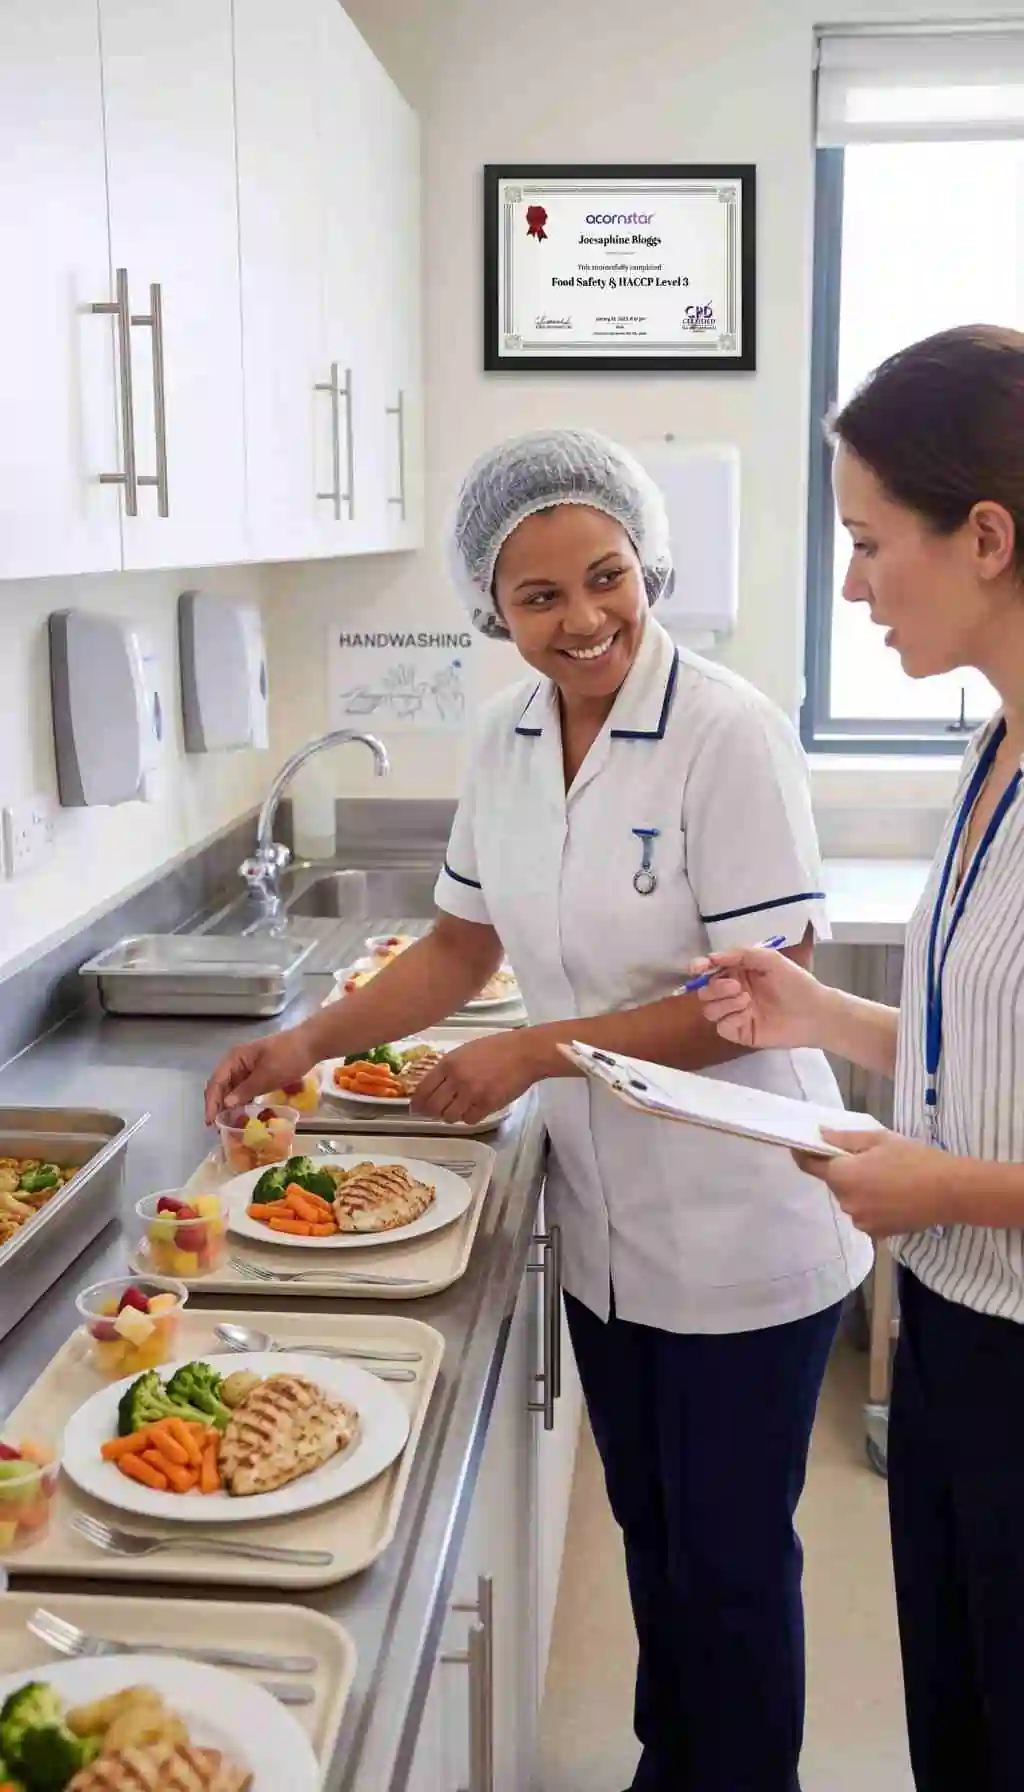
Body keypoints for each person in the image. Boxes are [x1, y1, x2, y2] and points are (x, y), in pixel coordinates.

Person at [206, 427, 872, 1792]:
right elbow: (459, 949)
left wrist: (536, 1055)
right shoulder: (506, 736)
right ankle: (670, 1765)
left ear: (648, 565)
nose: (585, 622)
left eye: (607, 578)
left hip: (746, 1220)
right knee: (651, 1531)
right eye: (539, 597)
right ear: (490, 610)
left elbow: (756, 989)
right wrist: (308, 1042)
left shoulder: (727, 732)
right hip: (610, 1227)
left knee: (733, 1558)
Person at [693, 325, 1024, 1792]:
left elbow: (976, 1142)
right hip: (953, 1342)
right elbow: (991, 1050)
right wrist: (822, 1022)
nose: (851, 583)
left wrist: (945, 1180)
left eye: (869, 540)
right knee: (956, 1725)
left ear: (989, 537)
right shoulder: (988, 754)